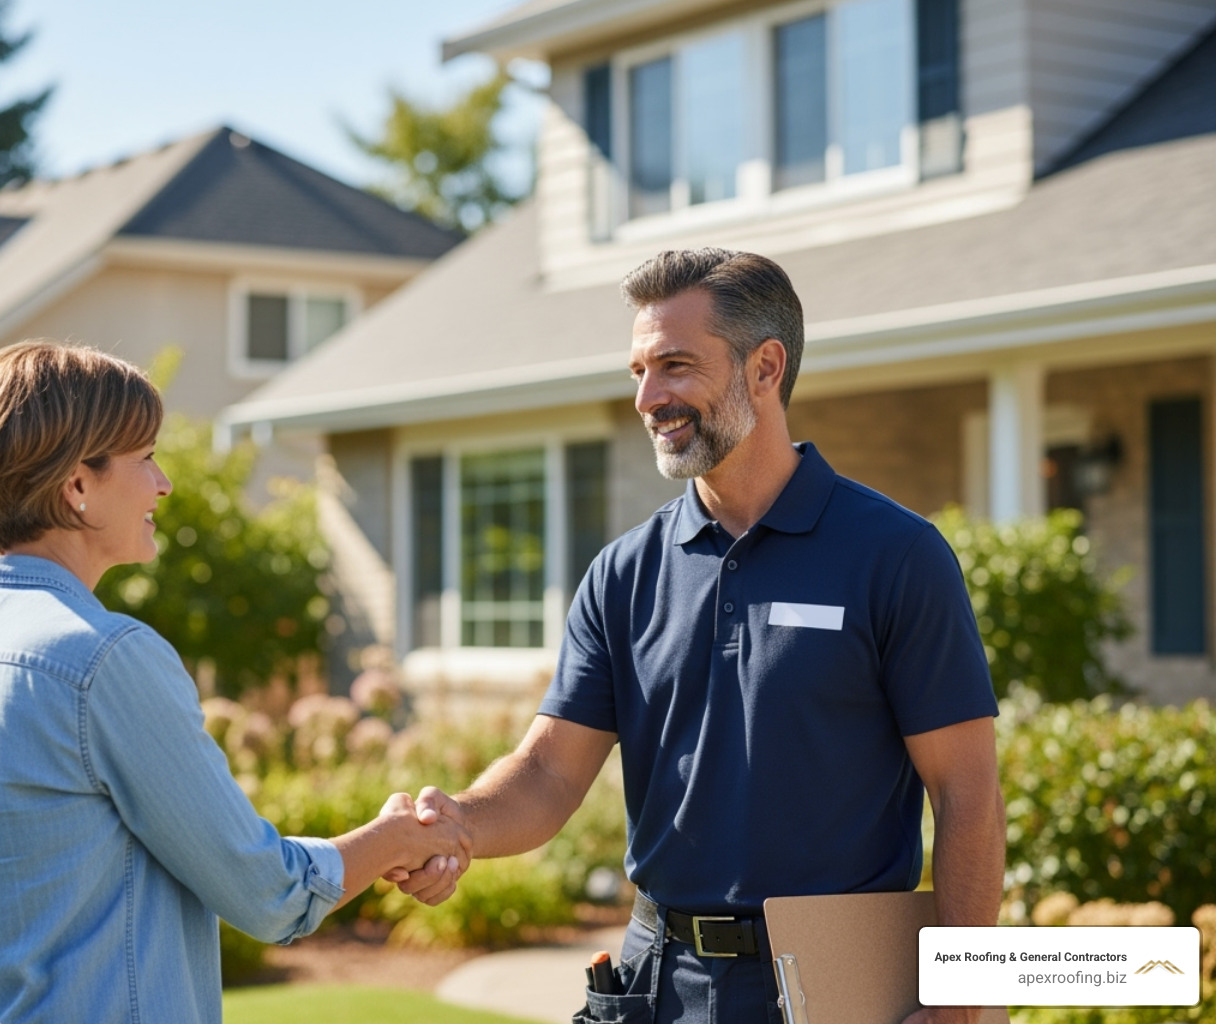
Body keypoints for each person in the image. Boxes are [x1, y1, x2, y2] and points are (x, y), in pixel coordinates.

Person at [394, 249, 1006, 1024]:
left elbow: (968, 790)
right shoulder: (622, 574)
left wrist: (963, 997)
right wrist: (460, 825)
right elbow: (549, 771)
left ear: (765, 368)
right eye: (638, 372)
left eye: (675, 366)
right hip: (657, 982)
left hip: (837, 982)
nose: (649, 397)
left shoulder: (896, 557)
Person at [0, 340, 467, 1024]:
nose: (164, 484)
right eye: (146, 459)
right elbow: (262, 891)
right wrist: (393, 840)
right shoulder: (103, 659)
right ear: (77, 486)